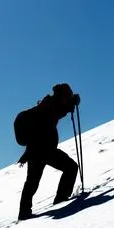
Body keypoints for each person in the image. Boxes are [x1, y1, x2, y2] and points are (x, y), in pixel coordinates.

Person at [17, 83, 81, 220]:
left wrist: (71, 104)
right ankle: (61, 199)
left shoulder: (49, 104)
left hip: (36, 151)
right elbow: (56, 113)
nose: (69, 96)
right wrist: (71, 104)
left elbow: (59, 111)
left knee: (32, 182)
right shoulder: (49, 106)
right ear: (62, 95)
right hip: (44, 150)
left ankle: (24, 212)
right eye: (68, 94)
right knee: (71, 167)